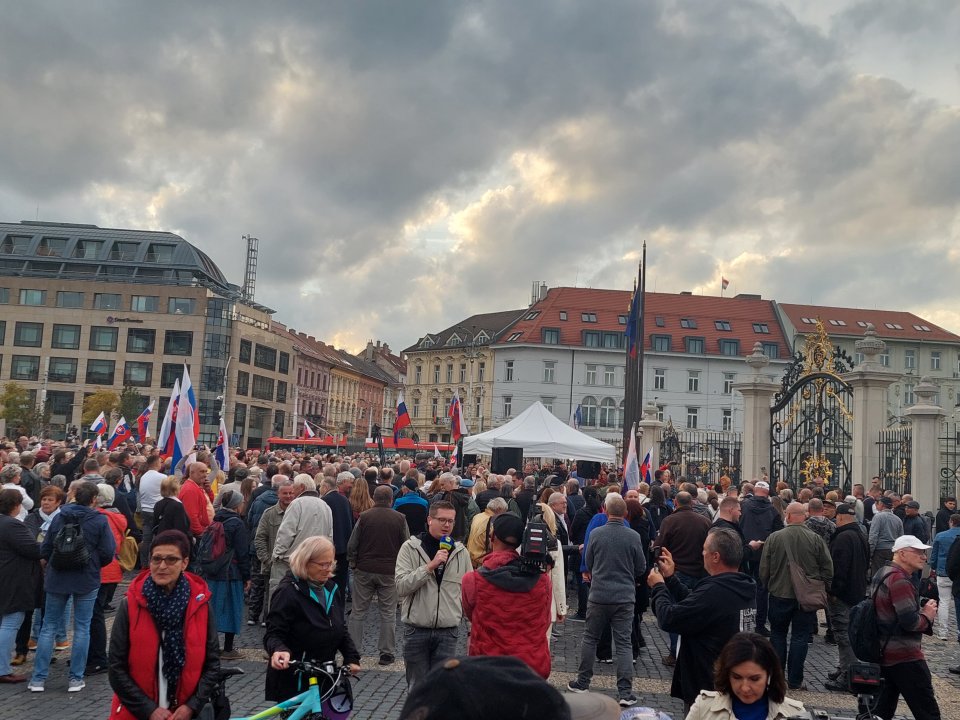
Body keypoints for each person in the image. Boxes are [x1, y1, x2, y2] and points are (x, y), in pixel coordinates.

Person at [108, 529, 221, 720]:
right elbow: (116, 666)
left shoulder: (200, 604)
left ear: (184, 563)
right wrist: (148, 709)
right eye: (156, 559)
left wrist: (191, 706)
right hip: (137, 713)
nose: (162, 566)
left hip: (184, 712)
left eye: (171, 560)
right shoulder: (131, 604)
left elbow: (212, 663)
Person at [648, 528, 757, 709]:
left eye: (705, 549)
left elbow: (669, 618)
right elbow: (698, 605)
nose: (702, 553)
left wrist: (658, 587)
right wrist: (671, 579)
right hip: (729, 681)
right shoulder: (741, 585)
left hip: (707, 688)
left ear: (715, 556)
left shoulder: (714, 591)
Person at [29, 481, 116, 693]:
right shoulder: (99, 520)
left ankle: (38, 679)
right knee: (82, 628)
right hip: (86, 577)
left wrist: (55, 562)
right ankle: (75, 678)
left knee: (48, 626)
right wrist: (93, 563)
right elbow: (108, 551)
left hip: (58, 576)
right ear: (94, 499)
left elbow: (47, 547)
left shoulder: (59, 516)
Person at [567, 493, 646, 707]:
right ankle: (625, 692)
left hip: (599, 594)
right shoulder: (633, 536)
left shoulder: (596, 534)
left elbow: (589, 562)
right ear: (625, 513)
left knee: (590, 638)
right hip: (624, 596)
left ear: (606, 510)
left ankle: (583, 682)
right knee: (623, 643)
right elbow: (640, 567)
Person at [263, 535, 361, 702]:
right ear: (305, 563)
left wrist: (351, 656)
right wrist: (279, 650)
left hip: (325, 676)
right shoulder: (287, 592)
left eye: (331, 563)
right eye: (323, 564)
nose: (328, 569)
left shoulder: (331, 588)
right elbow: (273, 633)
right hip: (296, 678)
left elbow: (339, 627)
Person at [462, 513, 553, 678]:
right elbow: (545, 621)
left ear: (492, 537)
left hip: (487, 668)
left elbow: (471, 615)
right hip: (531, 667)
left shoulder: (473, 580)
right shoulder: (543, 581)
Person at [395, 500, 471, 690]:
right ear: (430, 520)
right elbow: (401, 587)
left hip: (448, 631)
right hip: (416, 629)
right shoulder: (410, 548)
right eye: (442, 520)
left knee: (442, 689)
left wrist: (471, 629)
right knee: (417, 689)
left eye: (451, 521)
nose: (447, 525)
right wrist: (429, 567)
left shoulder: (461, 553)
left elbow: (469, 594)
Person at [759, 502, 833, 691]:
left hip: (779, 593)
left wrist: (767, 584)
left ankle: (777, 677)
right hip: (806, 597)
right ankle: (795, 680)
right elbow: (828, 568)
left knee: (777, 635)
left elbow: (764, 569)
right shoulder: (815, 539)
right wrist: (820, 586)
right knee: (800, 637)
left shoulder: (774, 538)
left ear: (789, 515)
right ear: (804, 516)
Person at [871, 535, 941, 720]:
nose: (924, 557)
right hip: (905, 656)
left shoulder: (883, 572)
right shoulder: (900, 580)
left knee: (881, 712)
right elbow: (910, 622)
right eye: (918, 552)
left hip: (885, 653)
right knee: (928, 712)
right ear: (902, 553)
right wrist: (927, 614)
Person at [347, 485, 410, 666]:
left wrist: (353, 563)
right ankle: (387, 653)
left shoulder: (364, 517)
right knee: (388, 613)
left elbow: (352, 544)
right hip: (390, 571)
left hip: (364, 569)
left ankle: (353, 652)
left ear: (374, 498)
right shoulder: (399, 518)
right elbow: (406, 545)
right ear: (391, 499)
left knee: (358, 612)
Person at [685, 632, 805, 720]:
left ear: (770, 674)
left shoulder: (794, 713)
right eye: (737, 677)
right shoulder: (704, 707)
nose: (745, 688)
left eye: (754, 679)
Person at [824, 502, 870, 692]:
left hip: (843, 594)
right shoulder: (860, 534)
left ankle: (848, 674)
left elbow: (838, 569)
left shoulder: (843, 537)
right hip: (857, 591)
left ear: (840, 517)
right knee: (848, 633)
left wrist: (833, 592)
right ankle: (844, 667)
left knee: (844, 635)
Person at [86, 484, 129, 676]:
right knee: (95, 615)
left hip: (102, 570)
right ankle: (92, 654)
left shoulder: (101, 518)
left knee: (94, 616)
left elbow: (104, 547)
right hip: (111, 569)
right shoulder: (116, 517)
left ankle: (98, 657)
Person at [0, 488, 41, 683]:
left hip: (6, 575)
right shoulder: (12, 525)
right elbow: (33, 549)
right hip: (12, 578)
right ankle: (2, 668)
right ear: (16, 506)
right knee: (11, 622)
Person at [205, 490, 251, 660]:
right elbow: (242, 552)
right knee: (232, 609)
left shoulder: (216, 518)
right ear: (236, 504)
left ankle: (211, 646)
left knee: (213, 609)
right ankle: (228, 648)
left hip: (214, 571)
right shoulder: (237, 524)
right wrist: (247, 576)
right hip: (232, 573)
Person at [740, 480, 783, 637]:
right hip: (764, 553)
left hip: (744, 551)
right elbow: (778, 533)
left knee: (743, 585)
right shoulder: (772, 510)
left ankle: (744, 621)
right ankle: (759, 623)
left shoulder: (743, 506)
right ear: (767, 493)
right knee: (762, 589)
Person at [252, 479, 296, 620]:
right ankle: (270, 622)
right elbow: (259, 538)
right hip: (273, 565)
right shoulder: (269, 513)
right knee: (272, 597)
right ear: (278, 494)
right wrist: (267, 560)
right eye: (285, 493)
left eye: (291, 493)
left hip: (294, 565)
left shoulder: (297, 512)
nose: (288, 496)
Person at [930, 513, 960, 641]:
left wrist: (933, 567)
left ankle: (943, 632)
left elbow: (934, 555)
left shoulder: (941, 536)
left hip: (943, 571)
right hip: (958, 574)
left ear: (951, 522)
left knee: (944, 602)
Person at [137, 454, 167, 566]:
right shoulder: (161, 477)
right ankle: (156, 562)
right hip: (157, 511)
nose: (161, 464)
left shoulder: (144, 476)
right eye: (160, 462)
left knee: (147, 539)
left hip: (145, 510)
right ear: (156, 463)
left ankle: (144, 564)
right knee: (158, 539)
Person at [869, 496, 903, 576]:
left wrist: (870, 552)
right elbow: (901, 537)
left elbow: (873, 536)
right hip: (893, 550)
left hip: (880, 550)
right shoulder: (898, 519)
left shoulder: (878, 517)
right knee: (890, 575)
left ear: (881, 504)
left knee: (878, 575)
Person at [153, 476, 192, 540]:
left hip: (160, 539)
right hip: (173, 541)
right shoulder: (177, 505)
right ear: (176, 489)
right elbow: (181, 527)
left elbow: (155, 524)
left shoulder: (158, 504)